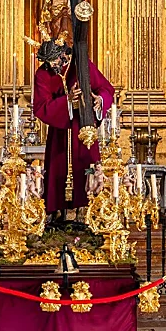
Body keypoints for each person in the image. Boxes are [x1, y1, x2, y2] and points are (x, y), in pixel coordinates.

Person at [31, 39, 115, 217]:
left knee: (88, 169)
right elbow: (40, 107)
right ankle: (58, 214)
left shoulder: (82, 65)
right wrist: (67, 101)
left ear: (62, 54)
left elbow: (106, 89)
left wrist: (100, 100)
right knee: (57, 172)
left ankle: (88, 213)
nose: (51, 65)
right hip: (59, 134)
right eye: (47, 62)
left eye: (53, 60)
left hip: (85, 132)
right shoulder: (43, 73)